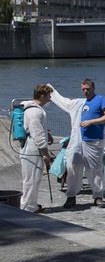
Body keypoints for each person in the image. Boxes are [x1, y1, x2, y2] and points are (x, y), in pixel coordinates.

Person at [48, 78, 105, 208]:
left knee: (95, 169)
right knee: (72, 168)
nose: (85, 92)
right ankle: (71, 196)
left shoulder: (101, 99)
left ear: (93, 87)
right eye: (83, 89)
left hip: (93, 141)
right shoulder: (77, 104)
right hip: (76, 141)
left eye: (87, 89)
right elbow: (63, 101)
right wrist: (50, 90)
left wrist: (91, 122)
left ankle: (98, 196)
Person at [19, 84, 53, 214]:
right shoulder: (36, 111)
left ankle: (31, 204)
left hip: (30, 147)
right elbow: (37, 134)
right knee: (31, 179)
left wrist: (47, 134)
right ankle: (27, 207)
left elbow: (37, 129)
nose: (50, 98)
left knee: (33, 178)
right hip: (32, 150)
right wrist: (45, 153)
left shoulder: (31, 109)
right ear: (43, 95)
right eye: (49, 96)